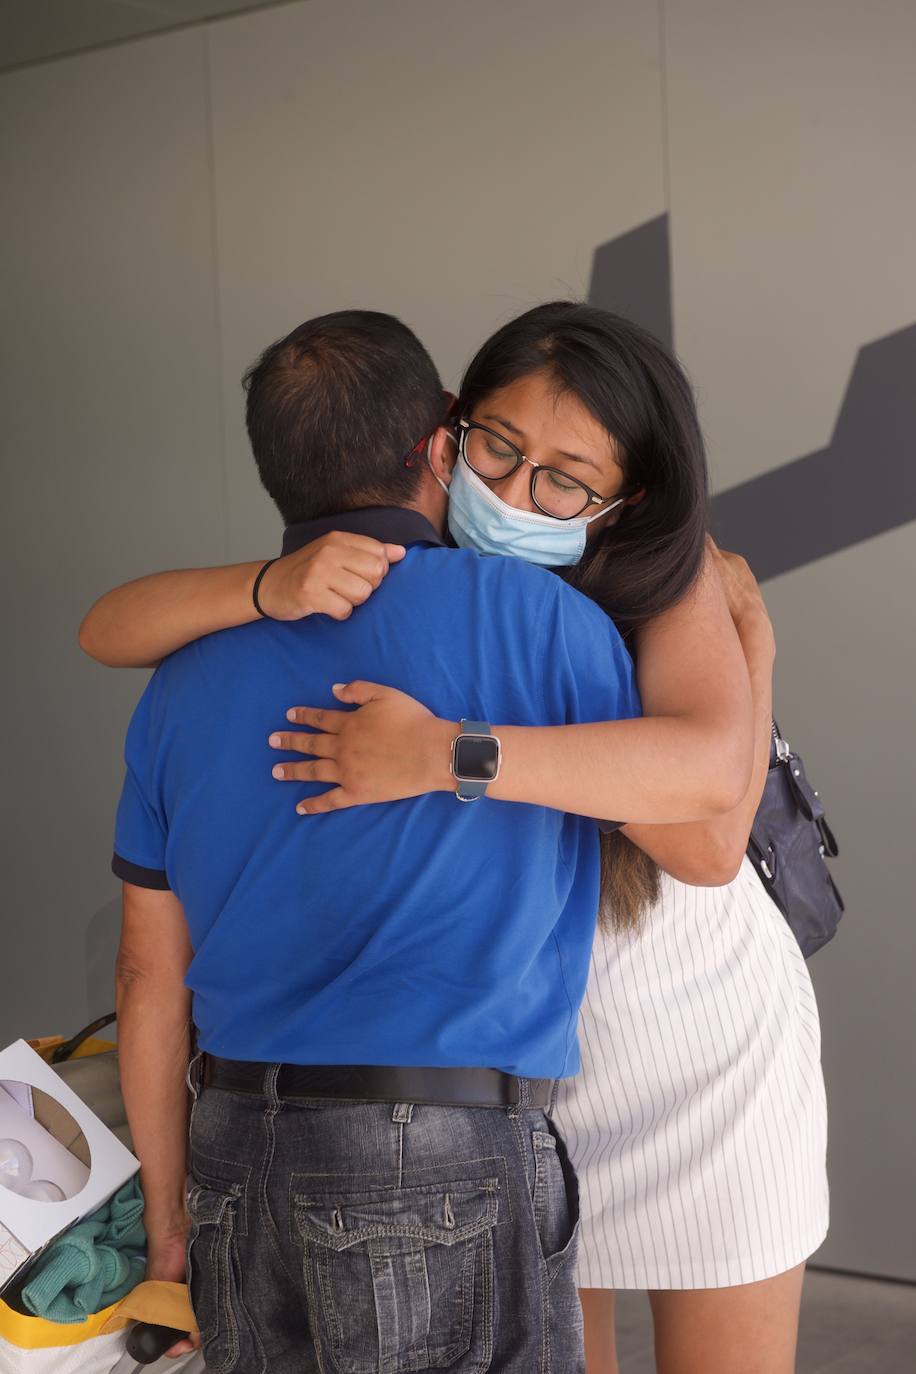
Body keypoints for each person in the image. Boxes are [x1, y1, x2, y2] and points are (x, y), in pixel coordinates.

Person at [81, 303, 826, 1374]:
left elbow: (708, 837)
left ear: (629, 497)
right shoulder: (448, 606)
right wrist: (266, 586)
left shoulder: (652, 582)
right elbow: (105, 627)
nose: (519, 495)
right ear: (446, 434)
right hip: (511, 1067)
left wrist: (448, 754)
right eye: (499, 449)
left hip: (670, 1030)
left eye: (565, 480)